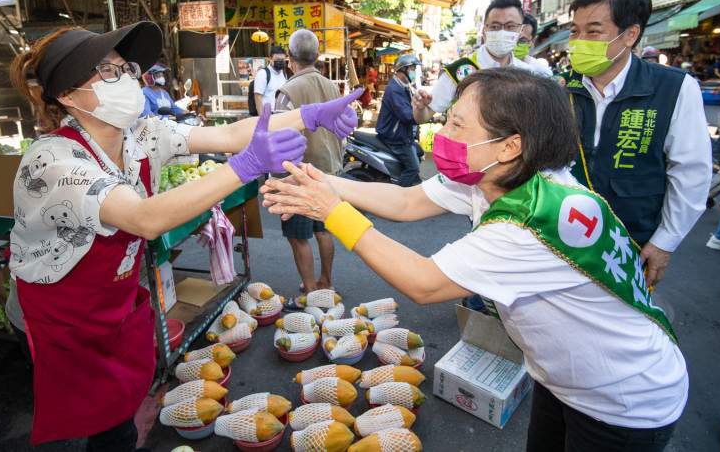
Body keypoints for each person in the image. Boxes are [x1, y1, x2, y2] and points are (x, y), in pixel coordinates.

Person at [262, 68, 686, 451]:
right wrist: (320, 181)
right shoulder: (504, 178)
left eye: (456, 122)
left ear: (508, 146)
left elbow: (424, 283)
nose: (441, 130)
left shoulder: (528, 225)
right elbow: (407, 201)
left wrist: (332, 212)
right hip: (564, 383)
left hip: (623, 400)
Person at [4, 21, 358, 450]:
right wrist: (244, 167)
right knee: (100, 425)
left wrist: (309, 115)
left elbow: (229, 134)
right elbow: (143, 219)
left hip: (110, 305)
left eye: (128, 69)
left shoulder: (143, 134)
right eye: (109, 71)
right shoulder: (52, 160)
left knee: (116, 414)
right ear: (66, 94)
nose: (129, 80)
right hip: (58, 320)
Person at [559, 0, 712, 287]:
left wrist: (665, 242)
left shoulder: (674, 88)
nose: (579, 41)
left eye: (593, 31)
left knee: (619, 327)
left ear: (630, 34)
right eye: (575, 31)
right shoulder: (560, 87)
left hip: (630, 245)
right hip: (560, 238)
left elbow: (691, 172)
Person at [273, 29, 358, 306]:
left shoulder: (287, 91)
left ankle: (310, 290)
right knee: (324, 230)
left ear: (289, 57)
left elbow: (277, 136)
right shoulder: (332, 87)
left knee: (298, 236)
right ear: (317, 57)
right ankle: (326, 281)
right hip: (330, 171)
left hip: (299, 174)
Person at [412, 0, 532, 124]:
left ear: (521, 30)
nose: (502, 32)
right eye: (495, 26)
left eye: (510, 26)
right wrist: (420, 108)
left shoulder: (528, 75)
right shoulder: (460, 71)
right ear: (484, 30)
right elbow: (422, 117)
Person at [375, 54, 423, 188]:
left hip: (403, 134)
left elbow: (412, 107)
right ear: (403, 70)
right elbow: (407, 115)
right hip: (395, 137)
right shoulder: (395, 89)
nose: (414, 72)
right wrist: (426, 117)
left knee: (419, 152)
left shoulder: (403, 86)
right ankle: (398, 195)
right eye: (412, 69)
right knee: (413, 167)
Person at [515, 12, 553, 77]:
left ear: (532, 42)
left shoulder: (543, 73)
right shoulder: (495, 67)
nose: (515, 44)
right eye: (513, 38)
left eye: (522, 41)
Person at [253, 45, 288, 114]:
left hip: (281, 113)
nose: (280, 62)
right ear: (270, 59)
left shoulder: (284, 74)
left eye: (282, 60)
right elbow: (257, 96)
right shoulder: (263, 74)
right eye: (277, 60)